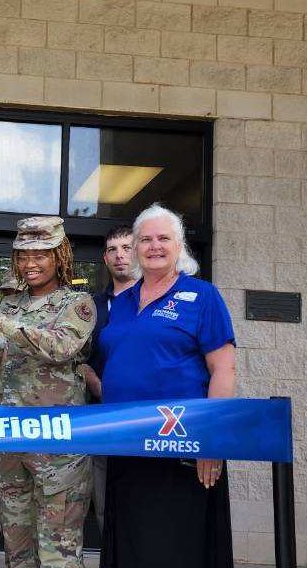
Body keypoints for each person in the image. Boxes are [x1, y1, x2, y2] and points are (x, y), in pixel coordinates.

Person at [96, 204, 236, 568]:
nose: (154, 246)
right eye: (145, 239)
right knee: (130, 545)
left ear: (180, 245)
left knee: (176, 549)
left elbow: (223, 369)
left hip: (183, 447)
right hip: (126, 446)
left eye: (163, 238)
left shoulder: (202, 296)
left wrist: (212, 443)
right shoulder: (121, 303)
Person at [0, 217, 96, 568]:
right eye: (22, 256)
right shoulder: (9, 305)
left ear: (59, 255)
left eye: (40, 255)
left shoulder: (77, 303)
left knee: (57, 553)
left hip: (57, 446)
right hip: (9, 442)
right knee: (17, 552)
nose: (29, 264)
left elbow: (60, 346)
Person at [75, 225, 134, 532]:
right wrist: (92, 380)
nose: (120, 255)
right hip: (101, 419)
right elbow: (79, 359)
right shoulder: (92, 307)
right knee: (105, 512)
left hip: (148, 420)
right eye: (113, 250)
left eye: (127, 247)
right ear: (105, 258)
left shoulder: (156, 302)